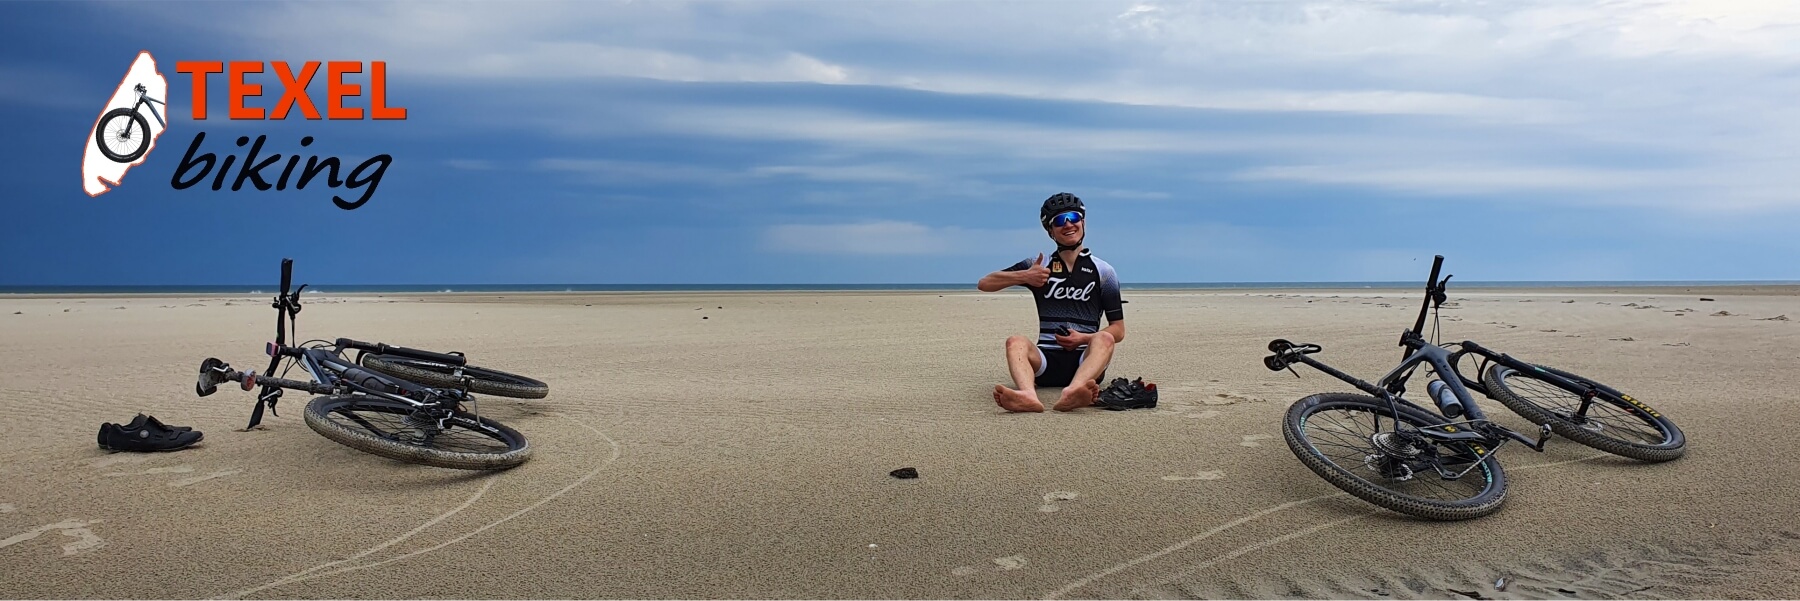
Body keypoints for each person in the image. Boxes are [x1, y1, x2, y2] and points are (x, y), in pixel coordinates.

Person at [978, 192, 1125, 412]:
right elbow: (985, 283)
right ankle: (1027, 395)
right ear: (1050, 230)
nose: (1068, 225)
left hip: (1085, 361)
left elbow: (1118, 330)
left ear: (1083, 222)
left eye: (1073, 218)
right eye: (1059, 220)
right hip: (1045, 360)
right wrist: (1024, 276)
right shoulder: (1038, 265)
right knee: (1015, 341)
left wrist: (1083, 338)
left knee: (1104, 337)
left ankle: (1074, 391)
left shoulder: (1104, 271)